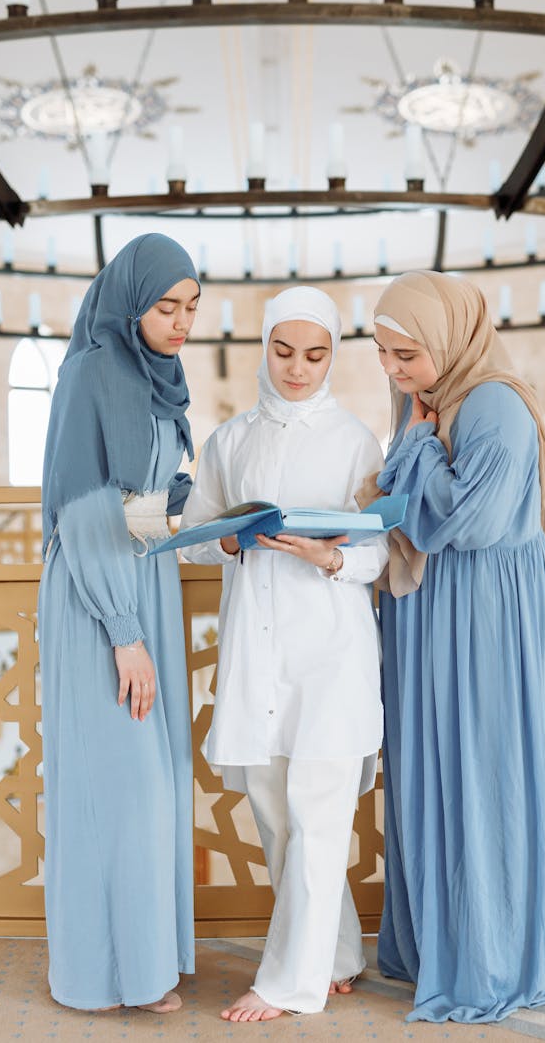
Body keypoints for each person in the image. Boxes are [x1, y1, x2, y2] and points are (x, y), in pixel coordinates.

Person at [363, 270, 545, 1023]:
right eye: (384, 354)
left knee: (485, 769)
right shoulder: (433, 401)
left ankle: (496, 950)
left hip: (484, 619)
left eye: (405, 355)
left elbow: (467, 523)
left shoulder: (497, 406)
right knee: (437, 769)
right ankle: (443, 940)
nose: (393, 371)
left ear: (449, 339)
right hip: (432, 612)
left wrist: (413, 444)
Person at [178, 285, 387, 1022]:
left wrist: (329, 557)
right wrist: (231, 537)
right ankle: (335, 955)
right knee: (277, 816)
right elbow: (197, 534)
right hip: (256, 649)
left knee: (322, 811)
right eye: (284, 351)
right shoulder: (230, 440)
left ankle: (287, 984)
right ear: (264, 347)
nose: (298, 368)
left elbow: (381, 550)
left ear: (333, 355)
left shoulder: (359, 441)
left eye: (316, 353)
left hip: (330, 646)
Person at [38, 232, 200, 1013]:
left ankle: (147, 959)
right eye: (166, 305)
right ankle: (107, 971)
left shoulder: (160, 378)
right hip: (99, 595)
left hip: (148, 580)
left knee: (152, 778)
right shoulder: (90, 372)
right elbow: (83, 505)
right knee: (122, 785)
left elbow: (156, 488)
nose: (181, 321)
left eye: (191, 306)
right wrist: (122, 630)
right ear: (130, 301)